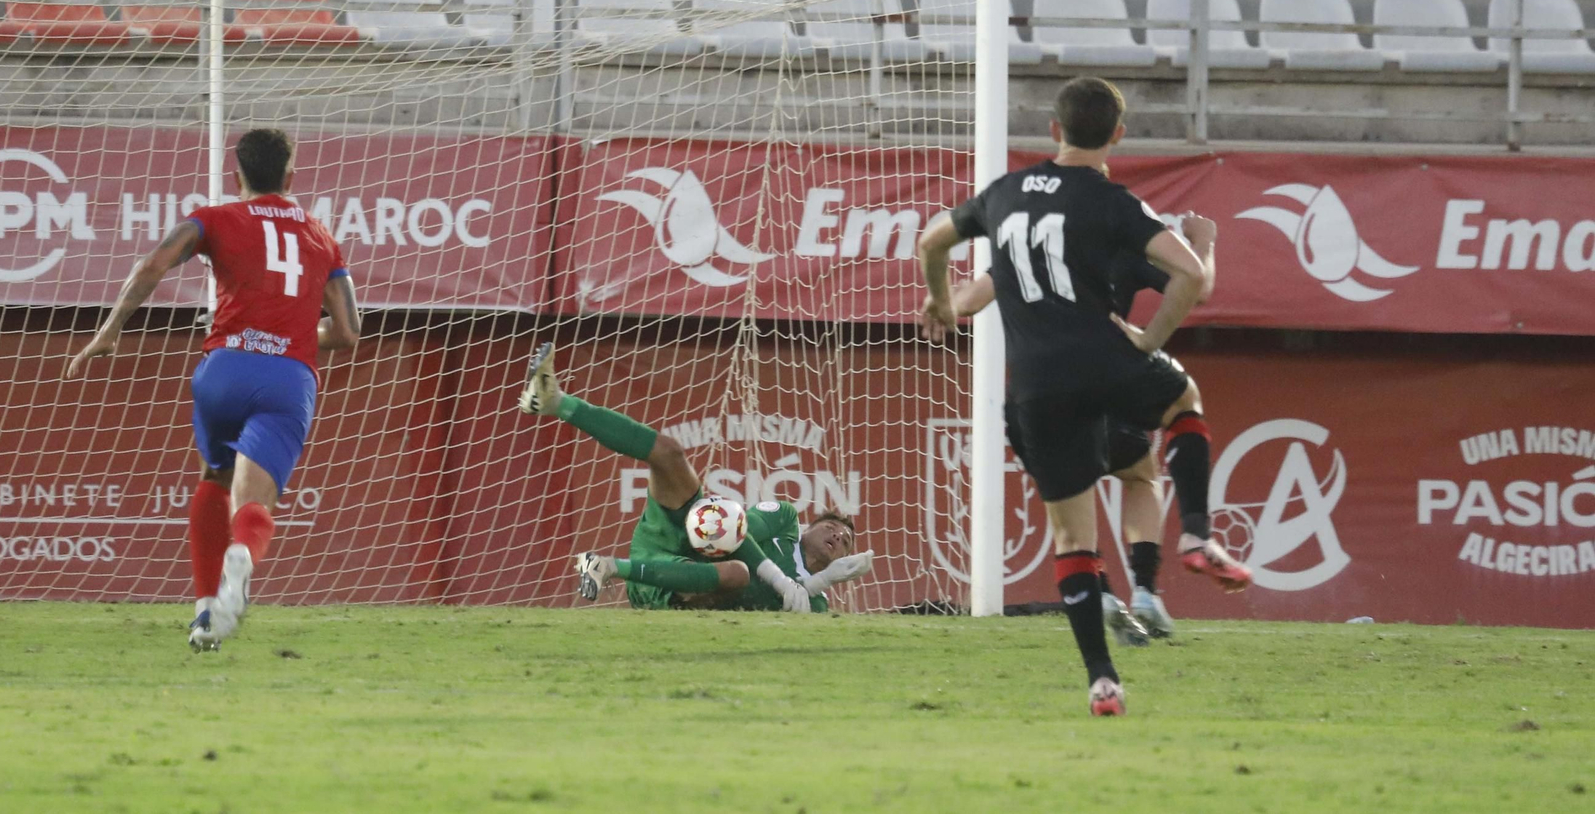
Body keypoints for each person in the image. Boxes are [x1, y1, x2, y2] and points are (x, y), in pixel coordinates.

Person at [916, 76, 1247, 717]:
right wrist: (1150, 337)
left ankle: (1102, 681)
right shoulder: (1112, 207)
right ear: (1118, 135)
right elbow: (1191, 276)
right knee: (1181, 408)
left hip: (1036, 388)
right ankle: (1194, 538)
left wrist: (939, 301)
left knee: (1072, 540)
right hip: (1106, 366)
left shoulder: (1005, 196)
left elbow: (934, 245)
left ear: (1053, 129)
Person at [65, 129, 360, 652]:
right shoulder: (321, 236)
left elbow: (152, 264)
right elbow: (348, 332)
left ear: (236, 175)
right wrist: (297, 331)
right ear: (290, 178)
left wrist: (110, 330)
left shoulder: (214, 218)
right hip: (287, 377)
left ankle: (204, 613)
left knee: (215, 476)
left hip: (224, 370)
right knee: (254, 503)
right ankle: (241, 557)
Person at [931, 210, 1222, 646]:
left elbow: (969, 302)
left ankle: (1101, 594)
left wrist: (944, 298)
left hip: (1039, 394)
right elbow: (1197, 285)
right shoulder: (1121, 239)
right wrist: (1204, 241)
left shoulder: (1023, 248)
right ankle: (1145, 591)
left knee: (1068, 501)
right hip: (1102, 382)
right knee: (1142, 476)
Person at [516, 343, 874, 611]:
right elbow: (727, 531)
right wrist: (780, 579)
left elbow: (786, 614)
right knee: (669, 453)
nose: (837, 535)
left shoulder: (817, 603)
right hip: (677, 536)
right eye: (831, 526)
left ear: (842, 564)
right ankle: (554, 401)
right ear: (809, 527)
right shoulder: (784, 520)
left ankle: (606, 567)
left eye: (846, 542)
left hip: (669, 584)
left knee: (736, 575)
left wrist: (818, 582)